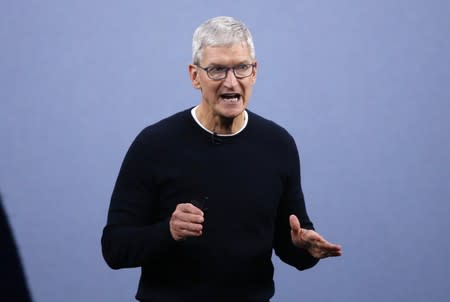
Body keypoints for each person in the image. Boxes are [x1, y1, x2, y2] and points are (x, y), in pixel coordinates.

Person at [101, 16, 342, 302]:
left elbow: (290, 245)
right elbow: (115, 248)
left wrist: (304, 248)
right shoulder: (154, 144)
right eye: (216, 69)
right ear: (194, 76)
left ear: (254, 72)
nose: (231, 82)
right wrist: (168, 232)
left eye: (241, 67)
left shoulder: (278, 144)